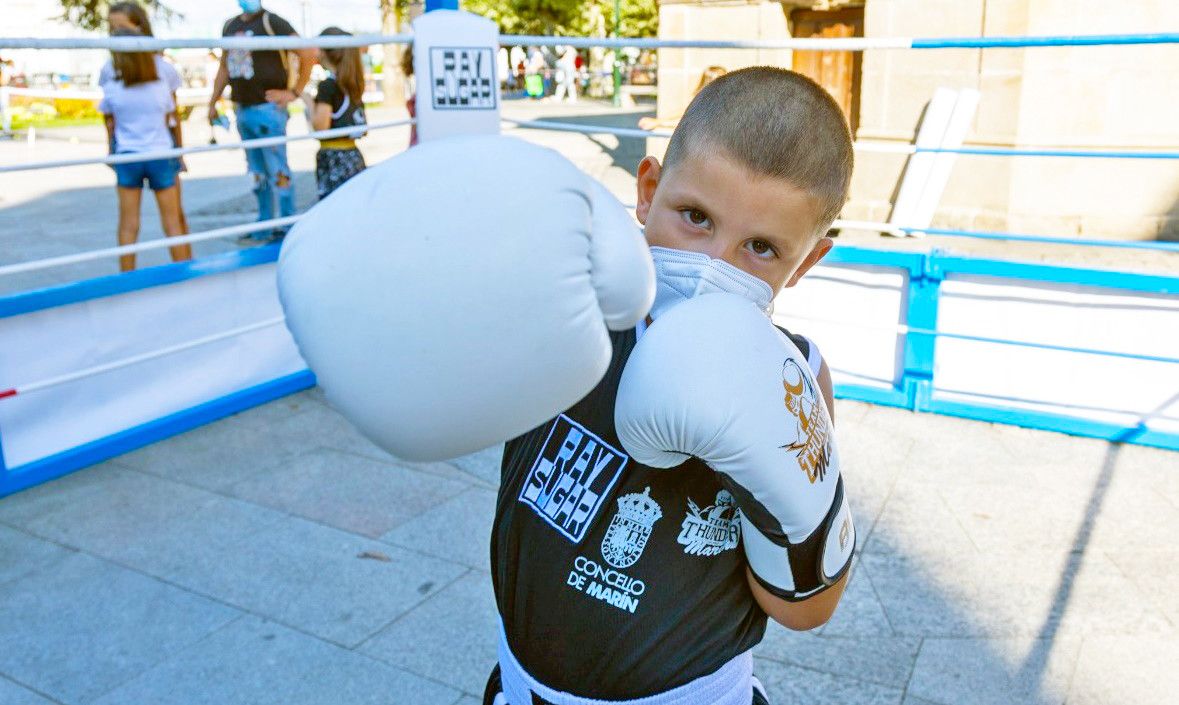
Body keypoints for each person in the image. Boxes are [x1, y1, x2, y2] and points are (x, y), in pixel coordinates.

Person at [485, 67, 856, 704]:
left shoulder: (797, 379)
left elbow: (804, 608)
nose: (715, 265)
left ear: (808, 260)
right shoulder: (572, 311)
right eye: (695, 217)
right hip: (521, 688)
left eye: (761, 247)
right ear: (648, 191)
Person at [207, 0, 314, 242]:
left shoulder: (272, 21)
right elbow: (225, 66)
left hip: (268, 109)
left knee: (277, 167)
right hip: (242, 108)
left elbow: (307, 53)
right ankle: (264, 222)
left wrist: (294, 92)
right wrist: (213, 101)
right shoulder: (230, 25)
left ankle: (286, 223)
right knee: (256, 170)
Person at [99, 27, 192, 272]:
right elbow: (170, 118)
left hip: (128, 155)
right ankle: (185, 274)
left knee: (128, 224)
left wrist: (111, 150)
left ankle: (126, 278)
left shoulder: (113, 87)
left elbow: (110, 123)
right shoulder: (160, 85)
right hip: (160, 153)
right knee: (173, 222)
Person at [310, 27, 367, 200]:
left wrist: (307, 102)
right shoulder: (352, 82)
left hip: (334, 157)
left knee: (333, 206)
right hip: (353, 155)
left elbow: (321, 126)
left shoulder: (328, 86)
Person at [638, 65, 726, 132]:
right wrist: (658, 121)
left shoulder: (723, 103)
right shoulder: (705, 101)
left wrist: (658, 123)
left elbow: (690, 123)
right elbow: (686, 112)